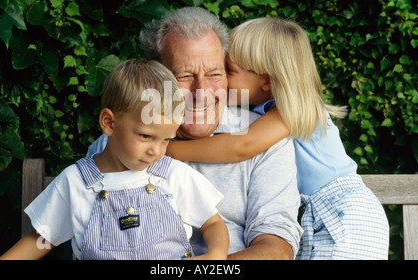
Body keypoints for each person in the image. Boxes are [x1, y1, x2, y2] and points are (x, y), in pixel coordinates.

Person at [166, 17, 390, 260]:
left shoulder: (292, 110)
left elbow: (242, 146)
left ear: (267, 81)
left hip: (344, 217)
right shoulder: (263, 109)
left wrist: (169, 150)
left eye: (228, 71)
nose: (222, 81)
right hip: (319, 215)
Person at [88, 7, 303, 259]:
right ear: (156, 76)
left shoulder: (265, 139)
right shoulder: (118, 144)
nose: (201, 91)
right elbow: (95, 237)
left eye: (214, 74)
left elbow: (276, 250)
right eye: (184, 75)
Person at [0, 59, 229, 260]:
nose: (156, 151)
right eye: (146, 136)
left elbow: (213, 223)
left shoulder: (173, 176)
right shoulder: (76, 182)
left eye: (166, 139)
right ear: (109, 123)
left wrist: (216, 255)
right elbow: (42, 240)